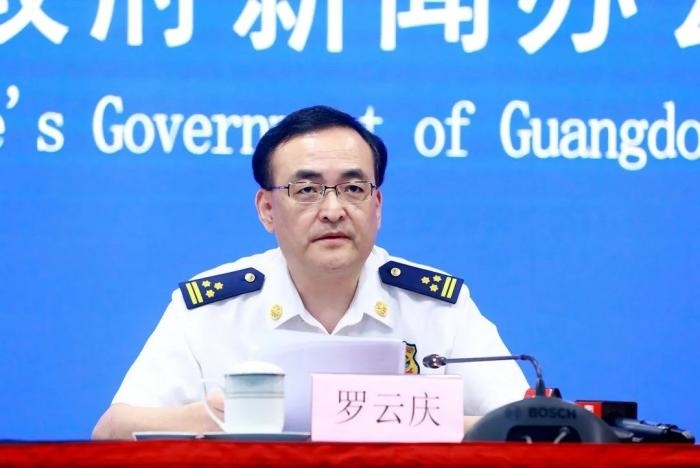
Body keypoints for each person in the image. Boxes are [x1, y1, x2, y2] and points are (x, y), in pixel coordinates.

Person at [92, 104, 528, 440]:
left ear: (377, 206)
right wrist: (216, 418)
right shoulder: (210, 311)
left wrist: (420, 419)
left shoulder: (437, 307)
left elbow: (526, 428)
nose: (333, 210)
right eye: (307, 190)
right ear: (267, 209)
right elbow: (111, 431)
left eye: (353, 188)